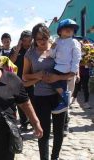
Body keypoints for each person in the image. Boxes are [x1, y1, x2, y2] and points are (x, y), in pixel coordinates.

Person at [23, 23, 74, 160]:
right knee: (43, 132)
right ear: (34, 38)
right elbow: (25, 77)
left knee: (59, 132)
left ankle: (55, 157)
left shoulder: (57, 47)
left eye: (44, 38)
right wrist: (37, 76)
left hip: (59, 95)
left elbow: (71, 72)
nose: (42, 41)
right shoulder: (30, 53)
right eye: (38, 38)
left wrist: (57, 77)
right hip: (41, 97)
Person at [49, 19, 81, 96]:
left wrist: (74, 71)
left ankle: (64, 100)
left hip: (67, 70)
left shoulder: (74, 42)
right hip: (56, 68)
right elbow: (52, 55)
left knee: (65, 87)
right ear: (59, 31)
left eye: (71, 28)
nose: (69, 29)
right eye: (66, 27)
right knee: (49, 78)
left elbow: (76, 58)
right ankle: (63, 96)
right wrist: (52, 48)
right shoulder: (57, 41)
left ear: (74, 32)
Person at [10, 30, 34, 131]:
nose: (27, 43)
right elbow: (10, 62)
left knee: (33, 102)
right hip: (18, 81)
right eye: (24, 40)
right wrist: (18, 49)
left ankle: (33, 122)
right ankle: (24, 122)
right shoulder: (16, 49)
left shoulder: (34, 49)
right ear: (21, 40)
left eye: (29, 40)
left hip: (32, 80)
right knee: (21, 104)